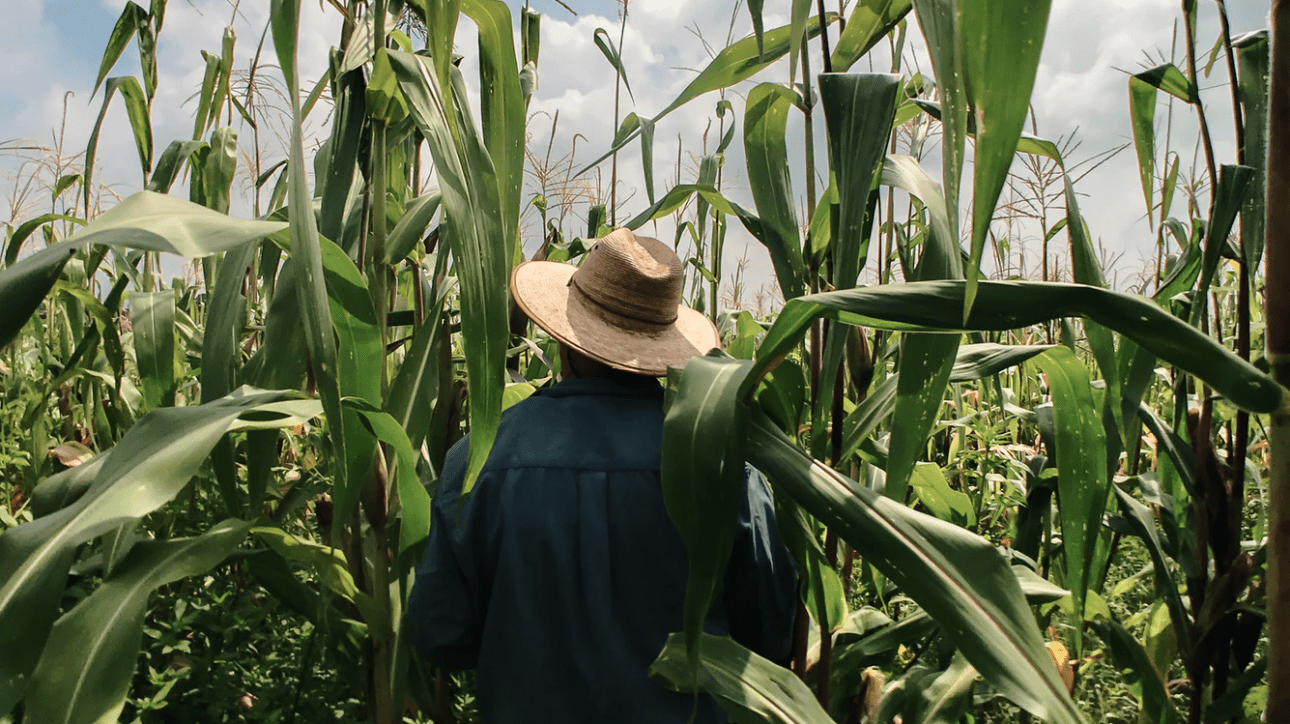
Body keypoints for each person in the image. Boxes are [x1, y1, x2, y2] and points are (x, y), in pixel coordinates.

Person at [404, 228, 798, 722]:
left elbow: (439, 634)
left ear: (564, 338)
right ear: (663, 348)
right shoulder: (721, 465)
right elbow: (771, 634)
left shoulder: (480, 458)